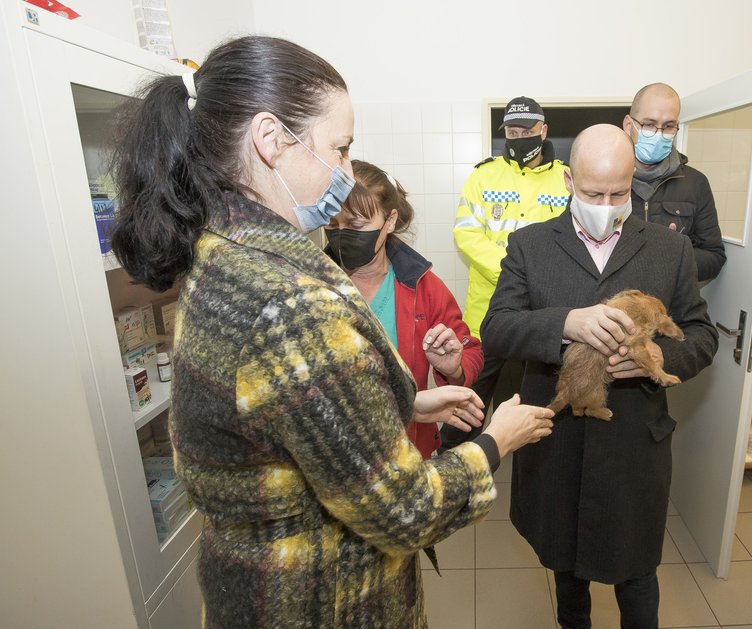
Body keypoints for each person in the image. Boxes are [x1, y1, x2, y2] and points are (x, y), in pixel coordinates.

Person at [110, 36, 553, 628]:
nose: (346, 175)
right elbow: (406, 512)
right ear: (270, 140)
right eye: (339, 150)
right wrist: (498, 439)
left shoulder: (224, 251)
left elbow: (278, 412)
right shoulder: (291, 300)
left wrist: (409, 401)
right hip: (319, 602)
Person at [481, 124, 719, 629]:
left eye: (619, 192)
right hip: (558, 442)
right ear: (569, 180)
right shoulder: (530, 245)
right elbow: (496, 329)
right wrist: (564, 323)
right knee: (567, 576)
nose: (607, 204)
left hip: (633, 445)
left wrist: (657, 359)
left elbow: (700, 334)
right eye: (593, 192)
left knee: (637, 576)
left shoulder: (669, 249)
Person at [326, 160, 483, 459]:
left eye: (357, 226)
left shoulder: (422, 286)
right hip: (335, 458)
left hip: (410, 452)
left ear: (390, 220)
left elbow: (470, 349)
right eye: (334, 226)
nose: (343, 235)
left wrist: (454, 368)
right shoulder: (311, 283)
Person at [446, 96, 569, 448]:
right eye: (512, 132)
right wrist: (516, 272)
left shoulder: (566, 180)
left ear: (543, 131)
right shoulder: (483, 176)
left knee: (531, 409)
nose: (518, 137)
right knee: (467, 406)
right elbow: (467, 234)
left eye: (526, 131)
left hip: (539, 318)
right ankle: (452, 470)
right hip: (486, 316)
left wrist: (536, 280)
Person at [623, 83, 726, 282]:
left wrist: (674, 254)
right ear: (629, 125)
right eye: (649, 124)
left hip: (672, 309)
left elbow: (714, 257)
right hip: (615, 307)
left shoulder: (695, 184)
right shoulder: (605, 180)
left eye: (668, 126)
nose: (659, 133)